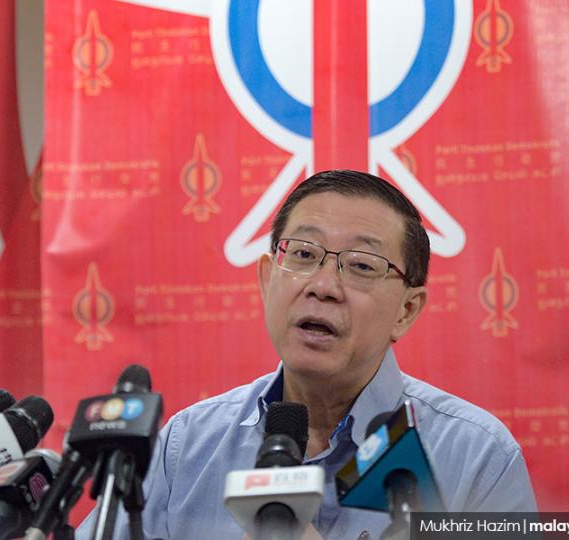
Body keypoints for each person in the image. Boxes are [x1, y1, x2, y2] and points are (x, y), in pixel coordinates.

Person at [76, 170, 536, 539]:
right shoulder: (186, 447)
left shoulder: (474, 457)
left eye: (362, 265)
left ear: (407, 310)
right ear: (266, 279)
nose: (323, 285)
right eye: (302, 254)